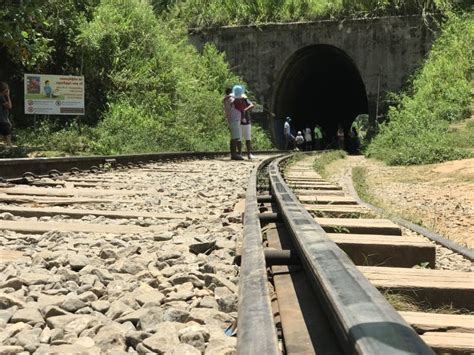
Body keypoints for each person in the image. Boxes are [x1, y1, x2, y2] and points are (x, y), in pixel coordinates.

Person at [223, 87, 243, 160]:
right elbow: (234, 102)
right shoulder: (230, 98)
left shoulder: (226, 98)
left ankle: (233, 154)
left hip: (232, 119)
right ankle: (234, 154)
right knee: (235, 138)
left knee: (234, 137)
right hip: (234, 119)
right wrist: (238, 97)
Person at [238, 94, 255, 159]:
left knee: (248, 138)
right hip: (238, 122)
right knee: (239, 139)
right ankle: (239, 154)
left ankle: (249, 154)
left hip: (247, 122)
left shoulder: (246, 100)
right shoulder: (235, 101)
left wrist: (245, 110)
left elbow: (252, 105)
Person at [0, 82, 13, 147]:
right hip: (2, 120)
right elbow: (9, 106)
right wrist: (8, 96)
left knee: (4, 135)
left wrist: (7, 119)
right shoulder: (1, 97)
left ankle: (5, 146)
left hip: (4, 119)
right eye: (7, 88)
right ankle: (10, 149)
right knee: (8, 135)